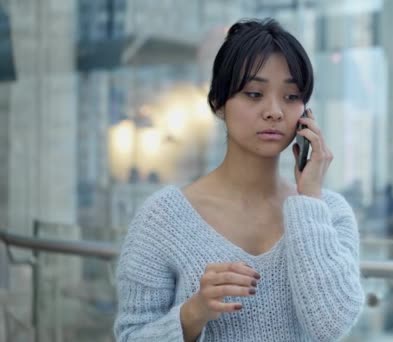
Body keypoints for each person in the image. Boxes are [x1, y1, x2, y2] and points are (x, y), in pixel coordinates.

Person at [113, 18, 365, 341]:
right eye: (254, 93)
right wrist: (193, 313)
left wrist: (309, 200)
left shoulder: (328, 212)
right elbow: (130, 336)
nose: (274, 111)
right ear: (219, 103)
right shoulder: (163, 217)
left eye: (291, 96)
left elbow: (331, 325)